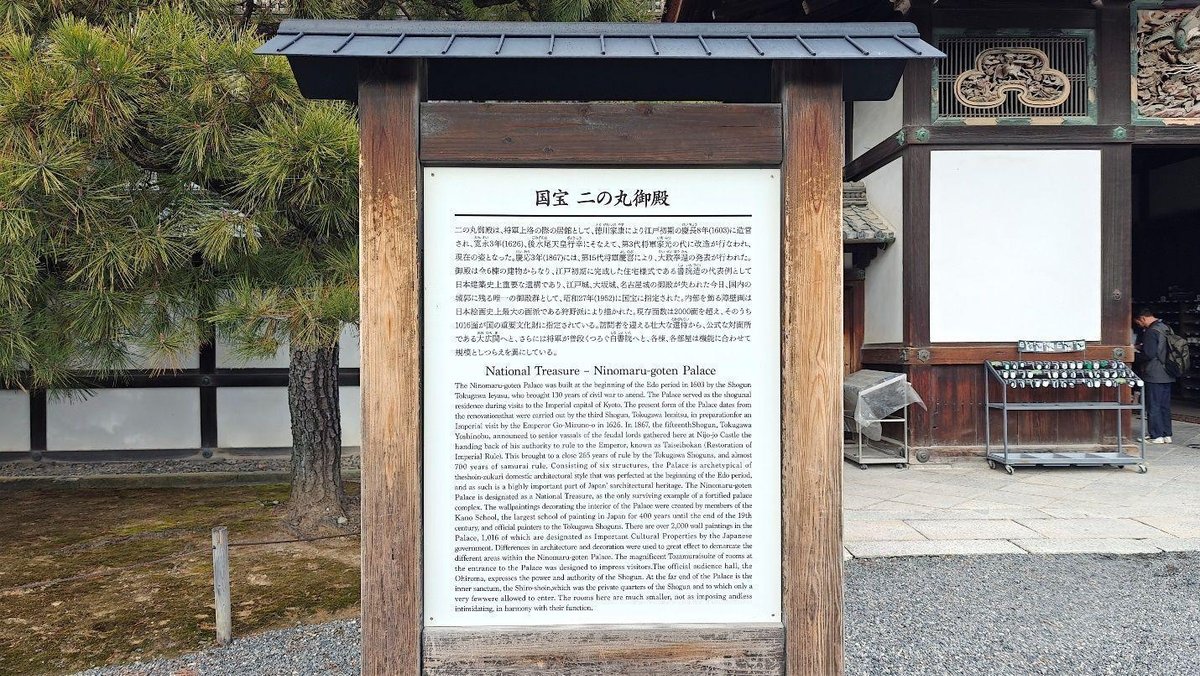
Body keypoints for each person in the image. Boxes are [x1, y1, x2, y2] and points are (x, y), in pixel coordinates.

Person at [1133, 307, 1175, 443]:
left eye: (1138, 323)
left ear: (1143, 318)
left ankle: (1156, 435)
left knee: (1153, 405)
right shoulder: (1165, 327)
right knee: (1164, 405)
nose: (1139, 326)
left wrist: (1134, 355)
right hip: (1168, 371)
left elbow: (1149, 354)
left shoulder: (1151, 331)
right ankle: (1166, 434)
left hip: (1154, 373)